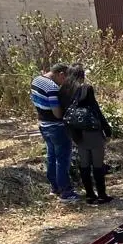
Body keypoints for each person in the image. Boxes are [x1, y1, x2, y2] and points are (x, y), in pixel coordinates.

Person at [60, 64, 114, 205]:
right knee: (97, 163)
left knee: (84, 163)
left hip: (75, 131)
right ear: (82, 74)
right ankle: (101, 194)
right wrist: (107, 129)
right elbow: (95, 110)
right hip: (90, 129)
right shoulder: (85, 89)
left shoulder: (63, 90)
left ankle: (89, 194)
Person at [31, 63, 78, 202]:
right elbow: (57, 113)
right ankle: (66, 192)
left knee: (51, 157)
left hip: (43, 124)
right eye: (65, 80)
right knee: (62, 159)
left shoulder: (37, 80)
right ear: (61, 74)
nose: (65, 84)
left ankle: (55, 187)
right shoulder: (52, 87)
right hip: (56, 126)